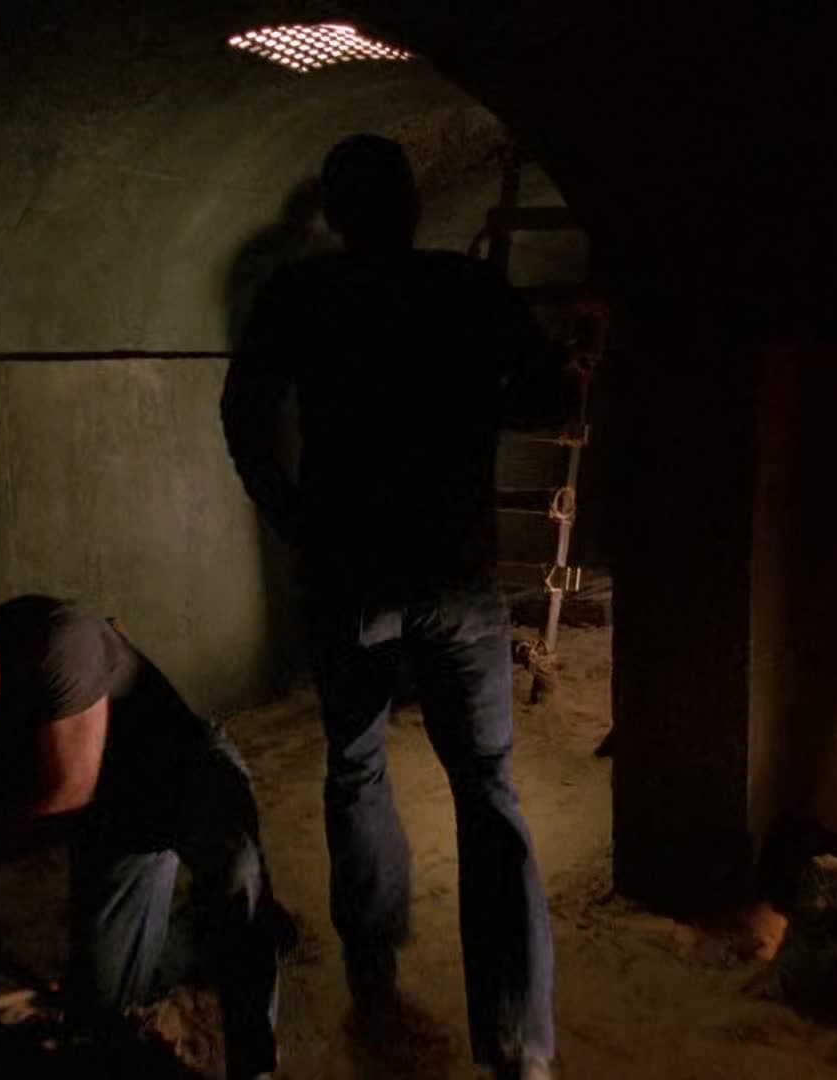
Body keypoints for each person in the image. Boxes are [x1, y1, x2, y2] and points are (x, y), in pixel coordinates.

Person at [221, 133, 581, 1079]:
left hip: (348, 574)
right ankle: (518, 1043)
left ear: (338, 215)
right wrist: (475, 404)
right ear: (414, 207)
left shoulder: (302, 294)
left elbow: (243, 411)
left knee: (356, 762)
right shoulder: (466, 288)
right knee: (489, 789)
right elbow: (549, 395)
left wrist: (290, 513)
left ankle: (373, 957)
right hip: (455, 572)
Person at [0, 576, 288, 1079]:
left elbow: (72, 789)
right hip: (118, 822)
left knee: (238, 880)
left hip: (184, 773)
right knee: (104, 1001)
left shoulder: (58, 640)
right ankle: (207, 937)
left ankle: (255, 1063)